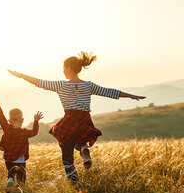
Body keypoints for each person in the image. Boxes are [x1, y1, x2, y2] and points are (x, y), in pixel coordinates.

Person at [8, 51, 145, 183]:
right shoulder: (88, 85)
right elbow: (109, 92)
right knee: (80, 139)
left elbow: (39, 82)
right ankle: (83, 149)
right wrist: (131, 95)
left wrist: (20, 75)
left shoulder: (61, 85)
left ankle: (73, 180)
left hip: (69, 120)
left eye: (63, 68)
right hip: (85, 121)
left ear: (68, 68)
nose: (63, 70)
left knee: (66, 154)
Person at [0, 96, 43, 188]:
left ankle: (10, 178)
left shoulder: (6, 128)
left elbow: (1, 118)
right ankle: (20, 188)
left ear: (9, 121)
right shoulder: (24, 133)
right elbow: (34, 132)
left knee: (10, 170)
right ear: (22, 120)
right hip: (20, 159)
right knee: (21, 175)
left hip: (8, 157)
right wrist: (36, 121)